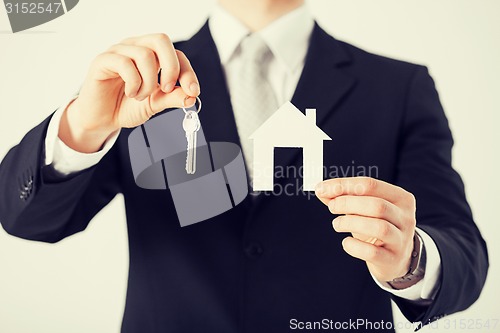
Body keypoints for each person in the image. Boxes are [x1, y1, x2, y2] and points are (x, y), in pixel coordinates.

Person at [0, 0, 488, 332]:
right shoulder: (138, 83)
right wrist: (82, 129)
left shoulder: (398, 87)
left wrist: (410, 259)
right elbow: (26, 219)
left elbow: (465, 255)